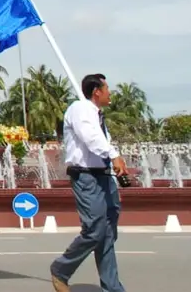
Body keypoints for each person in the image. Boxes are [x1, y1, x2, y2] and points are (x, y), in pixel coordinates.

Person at [50, 73, 129, 292]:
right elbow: (90, 138)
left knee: (107, 234)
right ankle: (61, 269)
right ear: (97, 91)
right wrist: (113, 154)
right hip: (86, 177)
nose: (110, 92)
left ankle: (112, 288)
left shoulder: (97, 115)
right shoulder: (80, 109)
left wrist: (114, 160)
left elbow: (101, 139)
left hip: (104, 176)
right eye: (107, 88)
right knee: (95, 229)